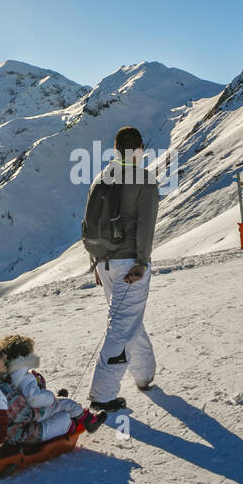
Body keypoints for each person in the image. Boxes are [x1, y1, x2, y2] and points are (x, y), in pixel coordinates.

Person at [82, 126, 159, 412]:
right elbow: (145, 226)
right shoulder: (144, 179)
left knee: (127, 321)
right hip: (130, 264)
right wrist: (141, 261)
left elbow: (90, 224)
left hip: (105, 264)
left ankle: (144, 375)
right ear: (140, 147)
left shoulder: (101, 178)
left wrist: (97, 262)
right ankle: (102, 395)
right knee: (122, 326)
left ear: (115, 149)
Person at [0, 333, 104, 436]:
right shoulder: (24, 377)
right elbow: (34, 399)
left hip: (20, 412)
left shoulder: (9, 373)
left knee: (58, 403)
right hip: (33, 413)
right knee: (68, 404)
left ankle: (60, 403)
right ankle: (89, 421)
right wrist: (51, 398)